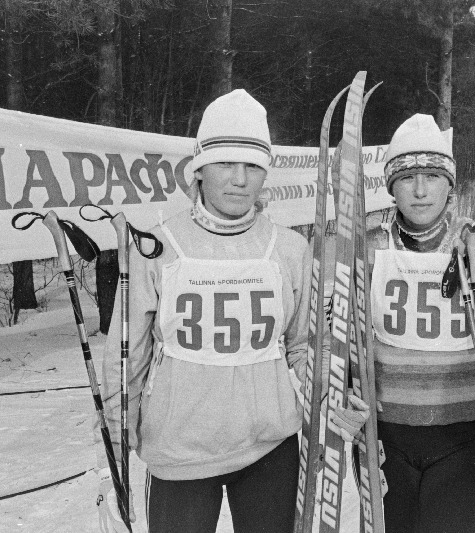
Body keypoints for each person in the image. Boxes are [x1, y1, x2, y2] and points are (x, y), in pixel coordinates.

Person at [95, 89, 313, 532]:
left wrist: (329, 401)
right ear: (199, 170)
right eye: (225, 163)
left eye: (253, 165)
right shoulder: (156, 247)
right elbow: (127, 353)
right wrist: (118, 419)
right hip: (180, 454)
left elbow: (303, 345)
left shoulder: (290, 248)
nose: (239, 179)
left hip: (271, 449)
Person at [360, 114, 475, 533]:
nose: (420, 190)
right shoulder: (367, 247)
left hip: (464, 439)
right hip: (385, 438)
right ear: (390, 186)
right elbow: (341, 338)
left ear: (450, 184)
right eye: (407, 177)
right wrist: (346, 399)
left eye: (433, 176)